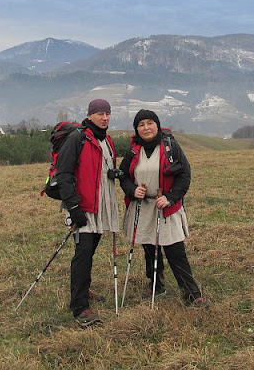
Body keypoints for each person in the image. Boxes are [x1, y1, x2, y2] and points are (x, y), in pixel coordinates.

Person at [119, 109, 205, 307]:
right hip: (143, 206)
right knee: (149, 248)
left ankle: (191, 293)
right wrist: (132, 190)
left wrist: (171, 197)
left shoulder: (170, 147)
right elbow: (123, 175)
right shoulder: (134, 150)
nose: (146, 128)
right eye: (141, 125)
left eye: (149, 123)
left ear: (157, 125)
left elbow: (185, 175)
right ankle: (156, 285)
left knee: (175, 249)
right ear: (136, 129)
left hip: (166, 206)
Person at [55, 98, 120, 327]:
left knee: (89, 250)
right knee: (83, 253)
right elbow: (63, 175)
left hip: (101, 205)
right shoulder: (77, 138)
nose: (105, 118)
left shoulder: (107, 140)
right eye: (100, 113)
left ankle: (84, 289)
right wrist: (74, 208)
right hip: (83, 206)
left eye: (108, 113)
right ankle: (80, 306)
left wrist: (113, 174)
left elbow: (101, 169)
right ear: (90, 115)